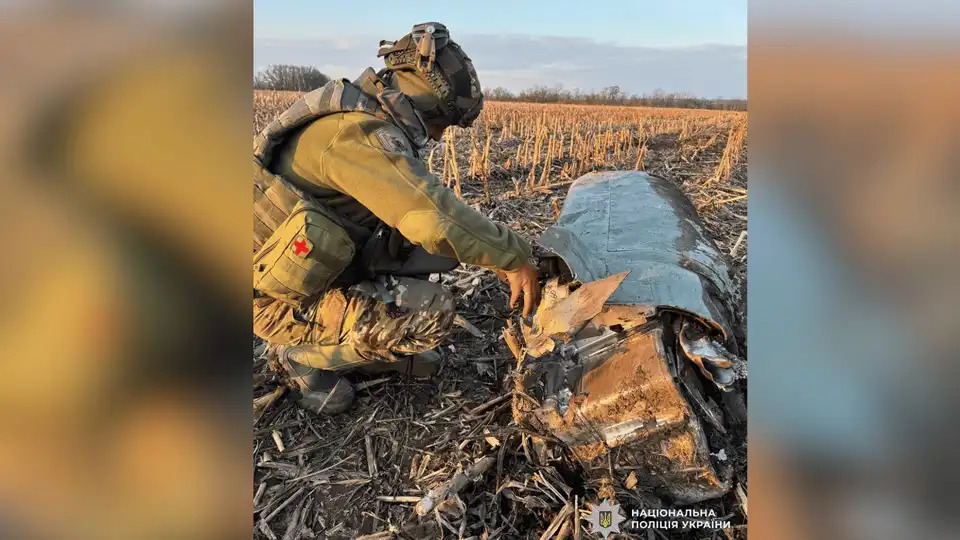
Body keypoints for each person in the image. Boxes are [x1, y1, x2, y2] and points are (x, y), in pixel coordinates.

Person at [252, 22, 540, 415]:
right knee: (431, 312)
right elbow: (432, 216)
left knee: (432, 261)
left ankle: (340, 333)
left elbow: (420, 225)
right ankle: (297, 356)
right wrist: (513, 256)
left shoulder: (359, 118)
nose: (438, 137)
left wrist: (489, 254)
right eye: (441, 123)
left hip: (304, 275)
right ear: (424, 104)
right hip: (274, 302)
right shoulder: (358, 135)